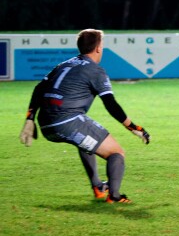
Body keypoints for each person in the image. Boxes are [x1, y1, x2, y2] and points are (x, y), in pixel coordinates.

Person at [19, 29, 150, 203]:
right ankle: (115, 196)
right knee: (116, 153)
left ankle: (98, 186)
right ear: (97, 48)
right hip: (68, 122)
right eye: (102, 45)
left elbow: (39, 88)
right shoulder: (95, 71)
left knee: (86, 141)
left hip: (45, 124)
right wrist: (133, 127)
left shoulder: (64, 64)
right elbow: (110, 104)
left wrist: (30, 118)